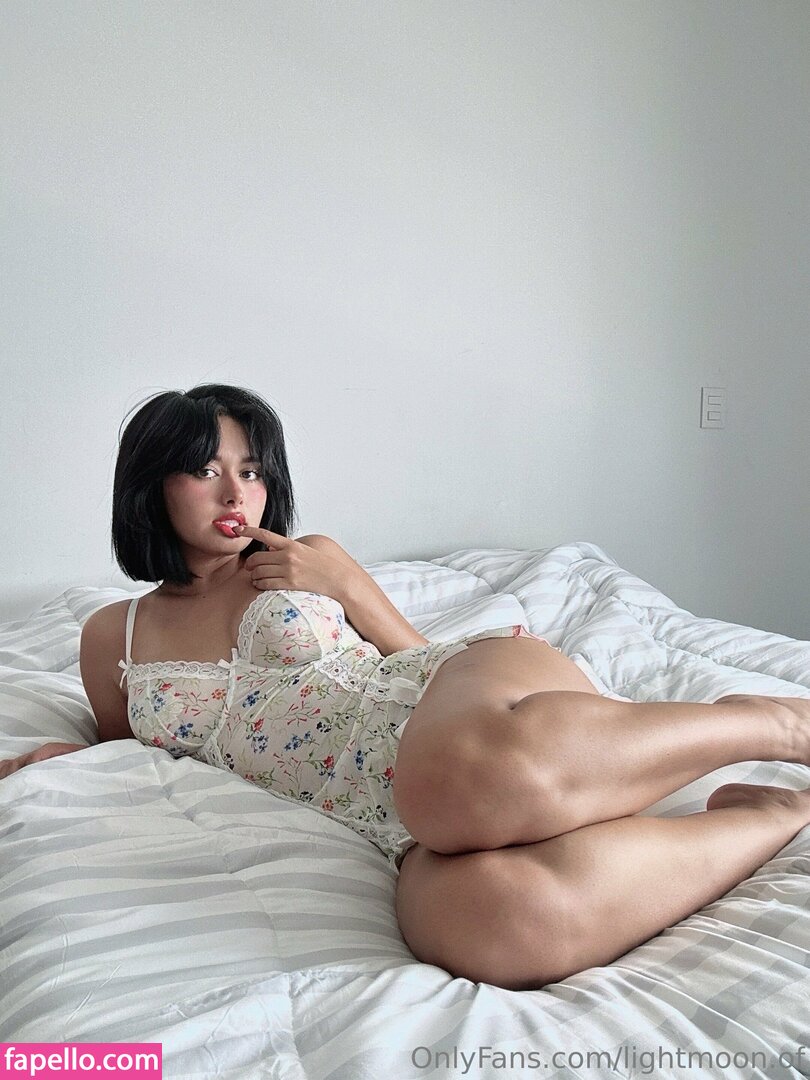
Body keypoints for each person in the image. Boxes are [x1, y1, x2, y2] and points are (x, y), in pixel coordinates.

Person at [2, 383, 809, 991]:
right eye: (204, 469)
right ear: (152, 483)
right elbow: (131, 753)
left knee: (453, 778)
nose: (235, 492)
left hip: (460, 699)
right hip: (383, 811)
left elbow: (417, 654)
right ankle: (770, 816)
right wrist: (55, 758)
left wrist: (346, 582)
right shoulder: (114, 635)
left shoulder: (304, 559)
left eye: (250, 470)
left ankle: (768, 722)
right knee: (489, 930)